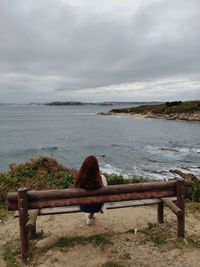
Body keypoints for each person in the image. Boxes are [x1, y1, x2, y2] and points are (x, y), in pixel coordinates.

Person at [74, 155, 107, 225]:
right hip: (97, 207)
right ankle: (91, 215)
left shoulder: (79, 179)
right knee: (97, 200)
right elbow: (105, 195)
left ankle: (90, 215)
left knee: (88, 201)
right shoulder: (102, 178)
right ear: (96, 167)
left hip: (83, 207)